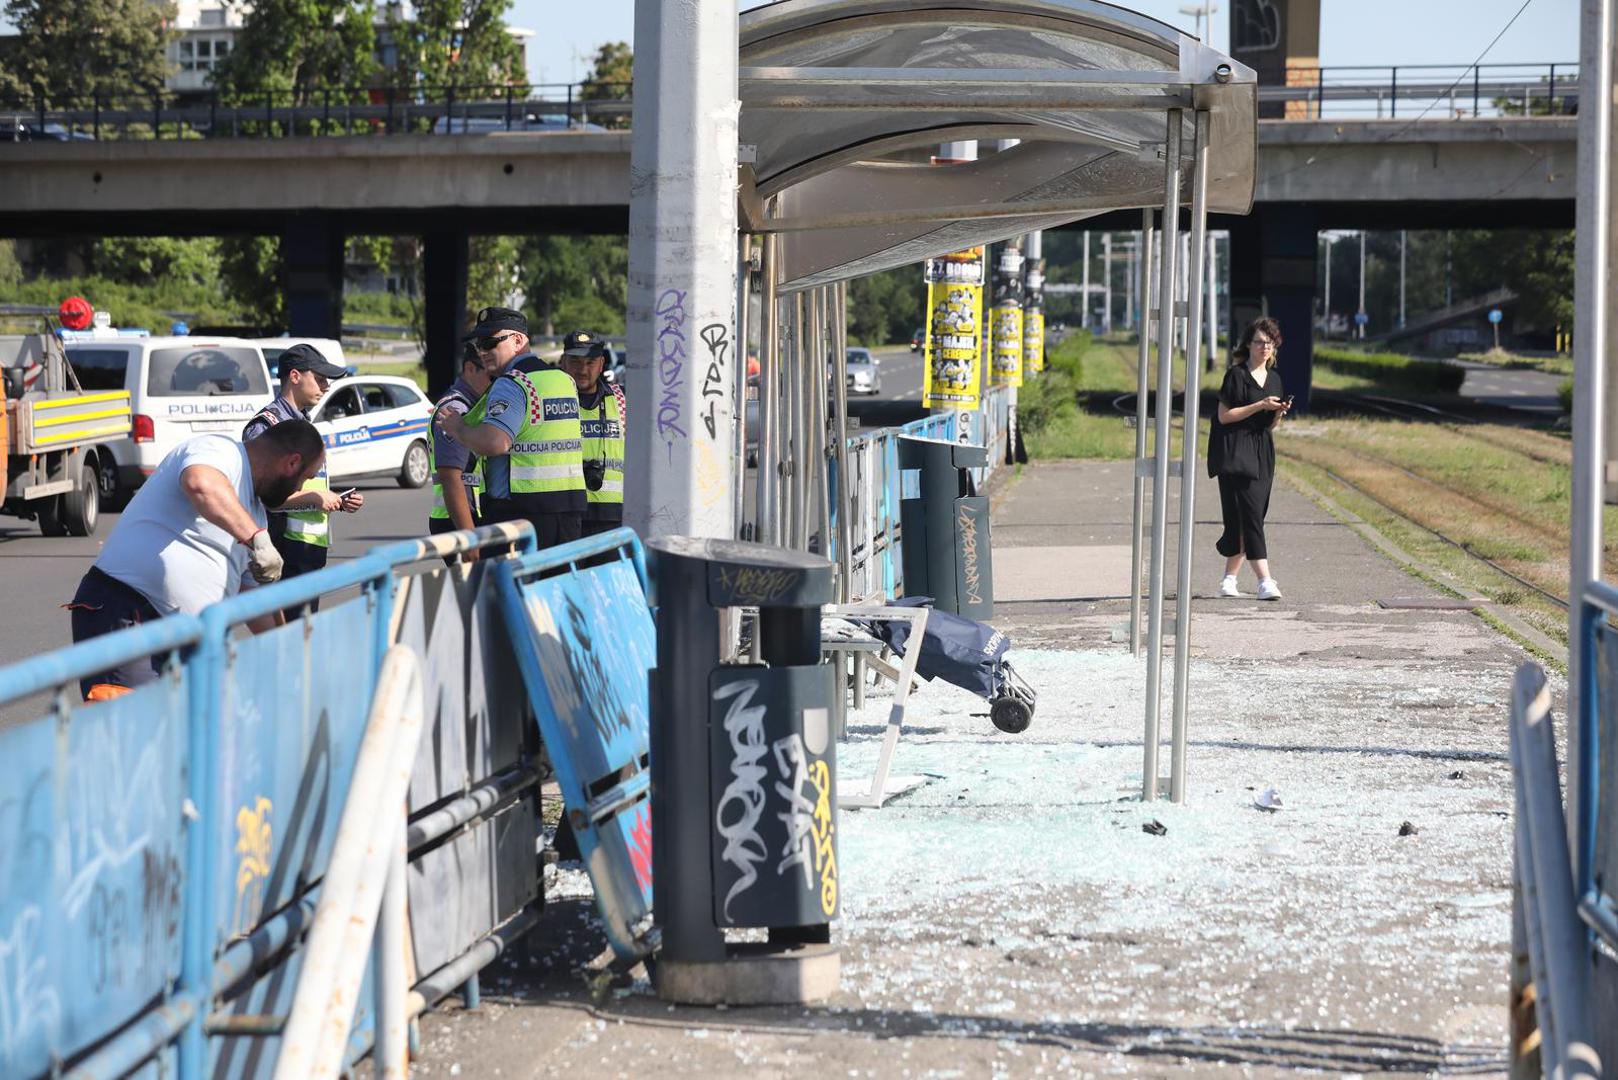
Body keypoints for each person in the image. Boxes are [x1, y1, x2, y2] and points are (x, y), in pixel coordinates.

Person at [65, 422, 325, 700]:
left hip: (186, 640)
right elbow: (200, 483)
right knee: (132, 731)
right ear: (292, 463)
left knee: (190, 734)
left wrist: (286, 648)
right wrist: (257, 539)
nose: (299, 488)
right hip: (130, 611)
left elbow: (252, 596)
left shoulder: (254, 513)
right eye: (304, 478)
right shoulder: (219, 451)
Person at [435, 307, 586, 547]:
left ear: (517, 341)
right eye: (478, 345)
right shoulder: (563, 380)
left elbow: (494, 443)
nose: (482, 351)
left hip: (521, 515)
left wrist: (458, 428)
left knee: (512, 584)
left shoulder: (513, 383)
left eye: (489, 342)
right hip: (569, 511)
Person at [242, 343, 363, 615]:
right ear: (295, 376)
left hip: (307, 550)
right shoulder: (268, 426)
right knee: (289, 640)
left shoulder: (303, 423)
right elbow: (261, 497)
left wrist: (338, 501)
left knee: (303, 637)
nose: (326, 387)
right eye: (319, 379)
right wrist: (313, 499)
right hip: (282, 551)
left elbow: (309, 486)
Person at [1206, 317, 1292, 601]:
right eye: (1258, 342)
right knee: (1252, 516)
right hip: (1236, 451)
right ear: (1248, 345)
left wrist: (1277, 413)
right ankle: (1265, 581)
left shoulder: (1275, 378)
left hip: (1262, 453)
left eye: (1269, 343)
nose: (1264, 348)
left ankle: (1229, 579)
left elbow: (1268, 426)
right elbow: (1224, 416)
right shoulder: (1236, 375)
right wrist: (1259, 405)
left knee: (1245, 520)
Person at [557, 329, 627, 538]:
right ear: (563, 362)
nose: (583, 370)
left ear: (601, 363)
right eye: (576, 362)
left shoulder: (622, 399)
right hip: (566, 512)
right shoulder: (551, 401)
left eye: (590, 362)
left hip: (613, 516)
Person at [428, 341, 500, 540]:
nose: (496, 382)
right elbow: (450, 476)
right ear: (470, 368)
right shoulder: (456, 410)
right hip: (459, 520)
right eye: (491, 376)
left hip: (469, 516)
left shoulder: (475, 405)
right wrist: (468, 536)